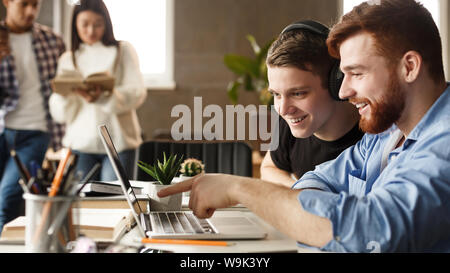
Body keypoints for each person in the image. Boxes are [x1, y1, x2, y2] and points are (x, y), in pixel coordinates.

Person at [158, 0, 450, 252]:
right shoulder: (387, 133)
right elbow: (319, 180)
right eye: (343, 75)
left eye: (357, 73)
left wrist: (240, 188)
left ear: (409, 67)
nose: (344, 91)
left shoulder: (444, 143)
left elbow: (373, 231)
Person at [49, 0, 146, 181]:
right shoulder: (68, 59)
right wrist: (64, 95)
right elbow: (60, 114)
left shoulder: (122, 50)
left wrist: (103, 97)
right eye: (85, 24)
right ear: (75, 25)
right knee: (84, 204)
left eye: (98, 24)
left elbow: (137, 92)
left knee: (115, 202)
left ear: (106, 24)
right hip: (80, 144)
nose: (91, 31)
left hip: (118, 143)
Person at [260, 20, 362, 187]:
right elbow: (269, 168)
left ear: (336, 83)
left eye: (298, 93)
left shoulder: (373, 132)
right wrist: (303, 192)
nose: (283, 110)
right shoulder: (292, 121)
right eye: (276, 94)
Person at [0, 0, 65, 234]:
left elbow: (66, 89)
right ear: (7, 2)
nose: (30, 11)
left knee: (7, 198)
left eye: (35, 4)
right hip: (3, 129)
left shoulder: (53, 41)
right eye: (23, 4)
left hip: (36, 132)